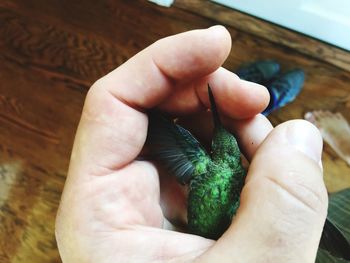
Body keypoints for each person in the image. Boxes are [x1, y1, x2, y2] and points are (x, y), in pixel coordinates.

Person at [55, 26, 327, 262]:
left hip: (198, 227)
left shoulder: (200, 162)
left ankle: (250, 83)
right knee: (246, 112)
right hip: (215, 233)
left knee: (234, 103)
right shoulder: (245, 178)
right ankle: (272, 96)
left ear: (211, 152)